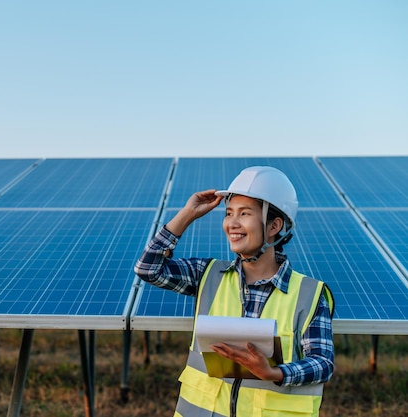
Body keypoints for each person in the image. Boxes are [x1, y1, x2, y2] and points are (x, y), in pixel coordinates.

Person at [134, 166, 334, 417]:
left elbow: (322, 362)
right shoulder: (207, 274)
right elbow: (147, 268)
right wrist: (187, 214)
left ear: (274, 226)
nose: (232, 223)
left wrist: (275, 373)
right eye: (228, 213)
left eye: (244, 213)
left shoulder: (309, 294)